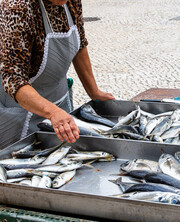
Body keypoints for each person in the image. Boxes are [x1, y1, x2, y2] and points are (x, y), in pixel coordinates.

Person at [0, 0, 115, 149]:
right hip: (19, 112)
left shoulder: (71, 2)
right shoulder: (17, 7)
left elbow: (80, 44)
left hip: (59, 103)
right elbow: (13, 78)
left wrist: (94, 92)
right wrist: (52, 112)